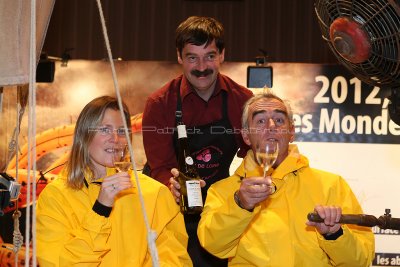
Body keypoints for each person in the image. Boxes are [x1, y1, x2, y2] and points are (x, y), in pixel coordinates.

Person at [197, 92, 375, 266]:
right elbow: (213, 245)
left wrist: (334, 235)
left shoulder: (332, 185)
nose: (271, 125)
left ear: (291, 132)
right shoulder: (223, 191)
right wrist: (240, 205)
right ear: (245, 135)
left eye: (280, 120)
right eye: (260, 121)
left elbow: (361, 261)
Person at [142, 16, 253, 266]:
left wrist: (243, 193)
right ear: (180, 58)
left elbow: (253, 157)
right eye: (192, 57)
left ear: (222, 55)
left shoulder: (243, 100)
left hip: (218, 211)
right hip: (171, 210)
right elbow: (159, 167)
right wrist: (172, 187)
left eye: (210, 56)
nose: (202, 66)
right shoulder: (159, 104)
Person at [36, 96, 192, 267]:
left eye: (121, 131)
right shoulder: (55, 197)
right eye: (104, 129)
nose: (115, 139)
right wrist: (100, 209)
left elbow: (174, 258)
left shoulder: (154, 193)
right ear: (84, 135)